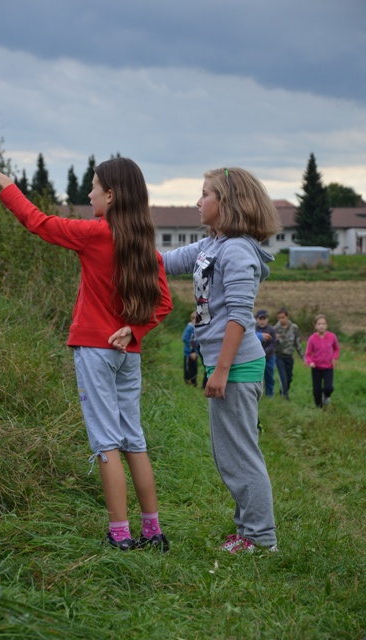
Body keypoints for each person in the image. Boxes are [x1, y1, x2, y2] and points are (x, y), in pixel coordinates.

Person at [0, 158, 173, 553]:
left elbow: (39, 223)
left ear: (111, 195)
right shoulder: (144, 246)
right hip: (127, 353)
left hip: (96, 351)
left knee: (106, 442)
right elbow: (164, 303)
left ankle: (120, 535)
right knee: (133, 439)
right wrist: (134, 330)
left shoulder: (95, 234)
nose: (89, 193)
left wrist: (6, 185)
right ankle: (153, 531)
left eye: (94, 186)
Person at [162, 166, 282, 553]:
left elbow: (239, 316)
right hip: (224, 365)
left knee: (240, 455)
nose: (198, 201)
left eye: (205, 194)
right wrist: (115, 236)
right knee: (229, 455)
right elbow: (163, 262)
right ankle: (248, 531)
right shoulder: (211, 245)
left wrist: (222, 372)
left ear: (226, 202)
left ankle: (260, 538)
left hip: (237, 366)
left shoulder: (237, 250)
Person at [305, 314, 340, 408]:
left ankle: (327, 396)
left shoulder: (332, 336)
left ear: (327, 325)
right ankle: (319, 408)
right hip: (316, 367)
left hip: (328, 367)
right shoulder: (312, 338)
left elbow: (336, 349)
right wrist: (310, 362)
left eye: (323, 324)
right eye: (319, 324)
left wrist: (334, 358)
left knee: (328, 388)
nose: (321, 326)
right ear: (315, 326)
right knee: (317, 391)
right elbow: (308, 354)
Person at [274, 307, 304, 400]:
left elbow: (297, 343)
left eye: (283, 317)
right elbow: (271, 345)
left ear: (287, 317)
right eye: (279, 318)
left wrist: (303, 357)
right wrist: (276, 339)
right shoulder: (275, 329)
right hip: (279, 356)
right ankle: (285, 396)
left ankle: (284, 390)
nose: (281, 320)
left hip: (289, 356)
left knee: (289, 378)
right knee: (283, 377)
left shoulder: (294, 328)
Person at [255, 310, 277, 398]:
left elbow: (273, 344)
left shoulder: (271, 330)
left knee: (269, 376)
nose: (262, 321)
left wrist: (264, 352)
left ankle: (269, 394)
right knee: (256, 377)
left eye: (264, 318)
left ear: (267, 319)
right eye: (260, 318)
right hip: (256, 358)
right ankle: (256, 394)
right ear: (256, 319)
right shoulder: (253, 330)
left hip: (269, 358)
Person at [182, 311, 198, 386]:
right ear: (192, 319)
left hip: (195, 352)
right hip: (188, 352)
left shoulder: (197, 329)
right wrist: (193, 344)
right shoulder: (189, 328)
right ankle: (188, 381)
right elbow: (184, 338)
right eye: (194, 319)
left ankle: (193, 381)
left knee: (194, 368)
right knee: (188, 367)